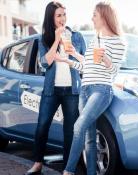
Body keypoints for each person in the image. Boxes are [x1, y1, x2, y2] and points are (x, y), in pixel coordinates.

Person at [55, 2, 126, 175]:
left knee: (79, 126)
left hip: (101, 90)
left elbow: (114, 71)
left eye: (94, 15)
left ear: (104, 16)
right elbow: (87, 67)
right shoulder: (95, 40)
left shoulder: (118, 42)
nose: (91, 18)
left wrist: (106, 60)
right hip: (85, 89)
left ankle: (68, 171)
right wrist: (69, 59)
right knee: (89, 138)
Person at [25, 1, 86, 175]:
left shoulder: (77, 36)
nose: (62, 18)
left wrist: (73, 52)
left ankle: (68, 169)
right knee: (42, 125)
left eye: (64, 14)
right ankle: (37, 163)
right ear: (51, 18)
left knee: (70, 131)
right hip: (51, 90)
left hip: (71, 91)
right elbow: (45, 62)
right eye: (58, 15)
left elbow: (85, 62)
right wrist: (57, 38)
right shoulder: (44, 38)